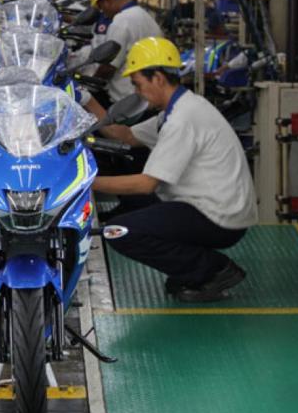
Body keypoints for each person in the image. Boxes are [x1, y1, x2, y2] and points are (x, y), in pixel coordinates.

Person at [93, 37, 258, 302]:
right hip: (209, 206)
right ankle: (194, 268)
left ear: (158, 78)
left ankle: (214, 269)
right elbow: (125, 136)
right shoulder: (176, 109)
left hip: (219, 217)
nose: (137, 92)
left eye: (138, 84)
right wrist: (84, 99)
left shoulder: (183, 119)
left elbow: (145, 184)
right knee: (134, 204)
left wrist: (86, 183)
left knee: (118, 230)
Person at [84, 0, 163, 118]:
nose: (103, 13)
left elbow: (108, 67)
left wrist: (88, 86)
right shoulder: (146, 16)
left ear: (107, 0)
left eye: (101, 7)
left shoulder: (121, 21)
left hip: (125, 104)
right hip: (149, 99)